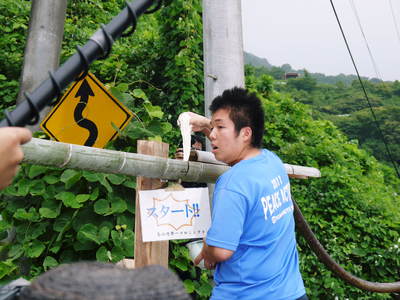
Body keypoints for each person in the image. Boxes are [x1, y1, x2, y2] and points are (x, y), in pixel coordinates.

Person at [182, 87, 307, 300]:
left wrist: (207, 247)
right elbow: (234, 148)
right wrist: (206, 125)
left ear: (246, 133)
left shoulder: (233, 184)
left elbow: (221, 251)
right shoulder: (272, 163)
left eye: (219, 127)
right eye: (212, 127)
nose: (212, 135)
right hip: (290, 292)